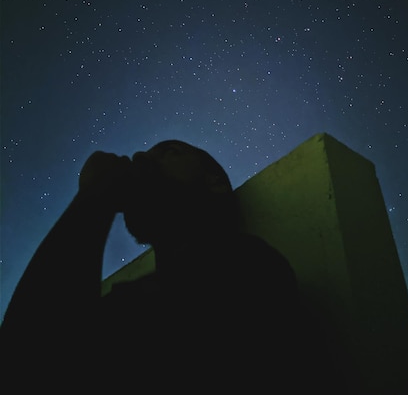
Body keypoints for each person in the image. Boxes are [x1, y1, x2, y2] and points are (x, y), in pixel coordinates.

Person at [1, 140, 318, 391]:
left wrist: (97, 195)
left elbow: (34, 361)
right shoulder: (137, 299)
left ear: (215, 183)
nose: (140, 156)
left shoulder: (249, 271)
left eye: (169, 152)